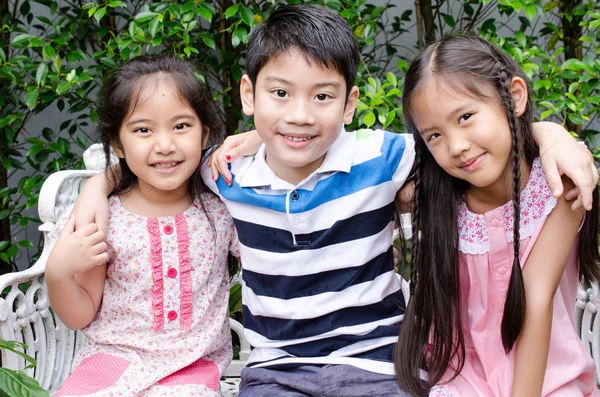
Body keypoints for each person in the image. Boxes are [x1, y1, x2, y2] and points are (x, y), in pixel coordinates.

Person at [72, 5, 597, 397]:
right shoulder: (226, 174)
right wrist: (100, 182)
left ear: (348, 104)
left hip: (378, 362)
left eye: (321, 97)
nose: (300, 115)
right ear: (249, 95)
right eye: (280, 95)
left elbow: (478, 142)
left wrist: (552, 135)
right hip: (276, 369)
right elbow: (161, 163)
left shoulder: (383, 157)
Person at [394, 34, 600, 397]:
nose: (456, 146)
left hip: (548, 380)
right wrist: (257, 143)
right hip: (461, 378)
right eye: (435, 136)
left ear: (514, 97)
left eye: (466, 116)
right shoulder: (441, 197)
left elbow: (535, 298)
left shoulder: (555, 188)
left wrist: (552, 134)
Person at [45, 56, 240, 397]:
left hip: (191, 366)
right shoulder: (104, 217)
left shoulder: (221, 208)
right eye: (143, 130)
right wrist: (58, 273)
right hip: (111, 363)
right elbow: (80, 315)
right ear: (118, 144)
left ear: (204, 134)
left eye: (181, 126)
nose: (165, 145)